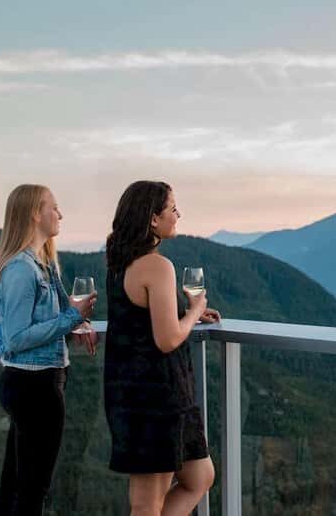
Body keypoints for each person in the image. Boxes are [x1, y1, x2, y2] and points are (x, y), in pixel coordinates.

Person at [104, 180, 220, 516]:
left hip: (136, 392)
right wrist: (195, 309)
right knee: (145, 506)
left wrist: (181, 314)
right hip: (154, 398)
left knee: (200, 476)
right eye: (172, 209)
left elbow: (139, 321)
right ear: (153, 219)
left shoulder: (120, 264)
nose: (178, 214)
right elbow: (166, 339)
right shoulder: (157, 266)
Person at [0, 184, 98, 516]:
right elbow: (16, 337)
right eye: (54, 207)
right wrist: (71, 319)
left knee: (16, 487)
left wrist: (77, 323)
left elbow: (9, 332)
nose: (60, 213)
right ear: (35, 213)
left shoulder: (43, 263)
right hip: (34, 386)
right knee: (32, 491)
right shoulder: (23, 269)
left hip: (34, 384)